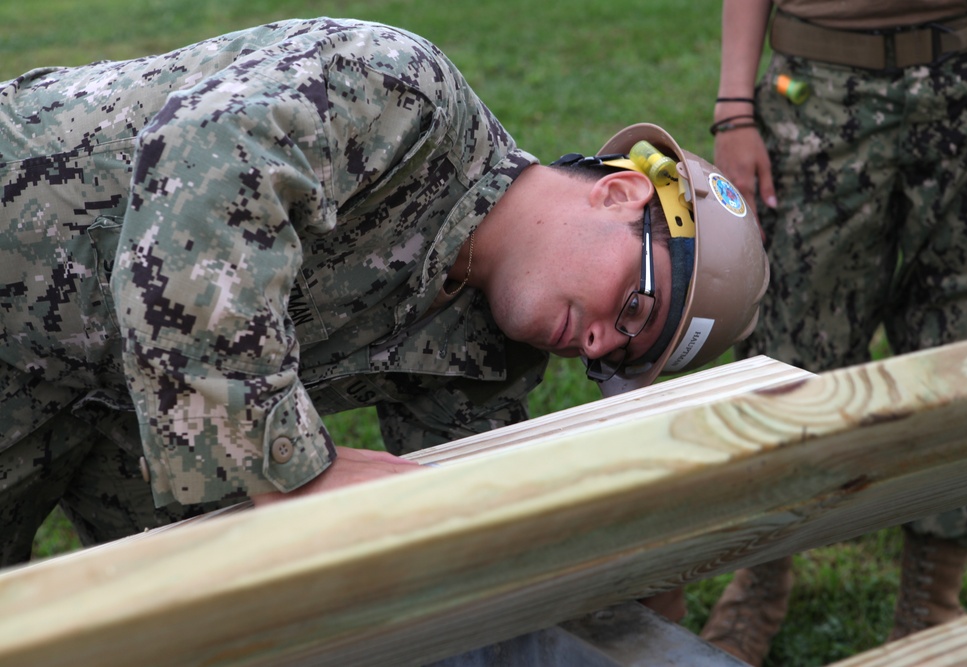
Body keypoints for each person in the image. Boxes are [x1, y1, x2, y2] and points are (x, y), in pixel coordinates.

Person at [0, 18, 768, 567]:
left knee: (198, 619)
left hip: (110, 406)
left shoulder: (484, 351)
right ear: (621, 194)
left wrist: (639, 569)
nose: (596, 342)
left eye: (617, 355)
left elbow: (462, 523)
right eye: (633, 303)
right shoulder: (405, 94)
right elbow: (203, 158)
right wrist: (287, 463)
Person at [700, 1, 967, 664]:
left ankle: (932, 598)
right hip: (819, 90)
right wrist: (735, 107)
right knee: (790, 343)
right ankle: (762, 575)